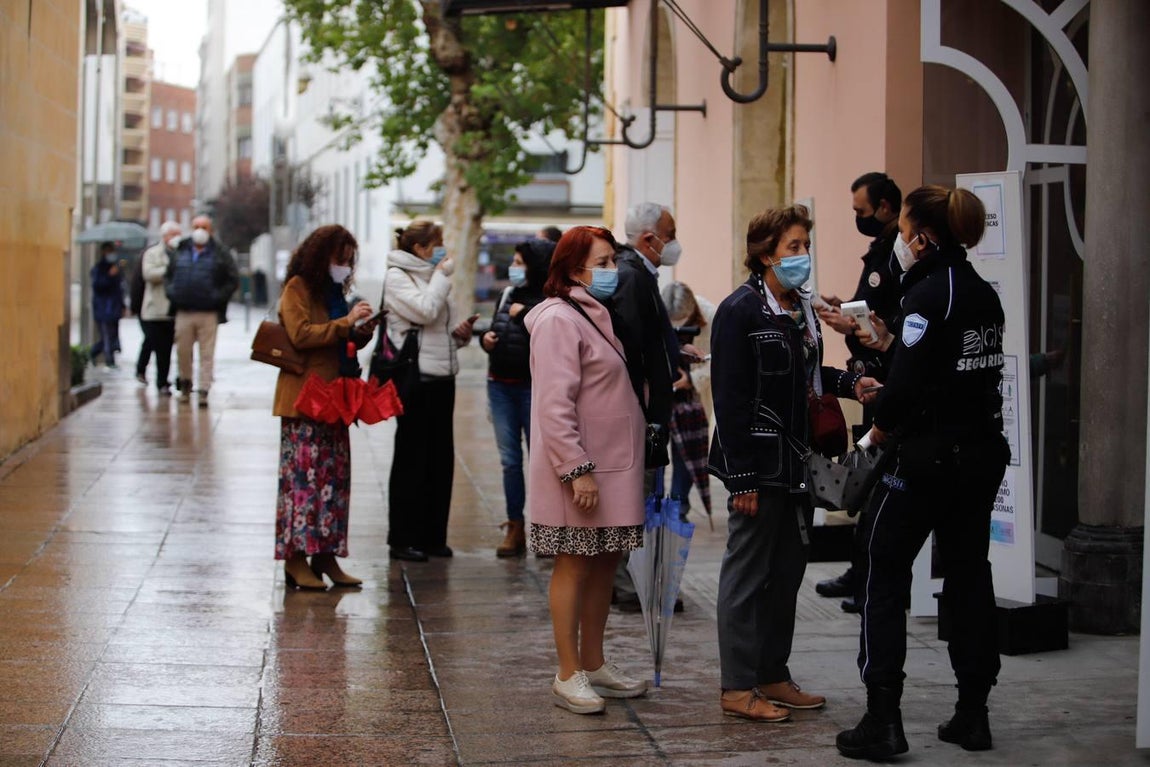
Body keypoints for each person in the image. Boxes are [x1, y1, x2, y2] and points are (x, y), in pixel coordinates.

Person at [836, 186, 1009, 760]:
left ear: (921, 236)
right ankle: (973, 713)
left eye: (905, 230)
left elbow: (905, 393)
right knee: (968, 577)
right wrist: (887, 342)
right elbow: (948, 370)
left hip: (925, 461)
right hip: (978, 456)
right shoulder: (983, 295)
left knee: (881, 573)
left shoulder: (928, 295)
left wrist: (875, 434)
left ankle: (883, 719)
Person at [708, 204, 878, 723]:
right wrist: (741, 478)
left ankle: (771, 674)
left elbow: (811, 376)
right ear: (765, 255)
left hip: (798, 463)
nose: (803, 256)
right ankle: (737, 686)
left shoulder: (800, 308)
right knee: (747, 574)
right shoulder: (740, 310)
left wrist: (852, 384)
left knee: (786, 573)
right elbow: (731, 398)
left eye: (806, 246)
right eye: (794, 247)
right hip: (758, 466)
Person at [523, 225, 648, 715]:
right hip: (582, 471)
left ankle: (594, 664)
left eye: (614, 261)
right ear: (575, 270)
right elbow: (555, 405)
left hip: (613, 467)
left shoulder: (594, 313)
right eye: (603, 262)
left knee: (602, 562)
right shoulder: (558, 319)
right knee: (574, 564)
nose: (613, 271)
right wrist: (577, 470)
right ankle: (567, 672)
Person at [814, 172, 903, 613]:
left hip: (886, 385)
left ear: (886, 207)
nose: (857, 219)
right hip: (869, 385)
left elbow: (887, 324)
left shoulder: (896, 256)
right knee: (865, 482)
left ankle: (870, 577)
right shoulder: (881, 253)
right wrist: (844, 311)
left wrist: (851, 326)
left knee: (877, 484)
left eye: (861, 212)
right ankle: (860, 571)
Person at [272, 225, 378, 590]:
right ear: (322, 257)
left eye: (349, 259)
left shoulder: (335, 293)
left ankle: (327, 555)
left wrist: (360, 329)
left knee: (333, 483)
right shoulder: (297, 288)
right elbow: (300, 335)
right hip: (304, 400)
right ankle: (296, 559)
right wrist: (344, 324)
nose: (345, 266)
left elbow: (339, 339)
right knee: (303, 484)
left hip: (335, 399)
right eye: (340, 258)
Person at [384, 221, 478, 562]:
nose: (443, 251)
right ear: (420, 248)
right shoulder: (398, 277)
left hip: (443, 377)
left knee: (440, 460)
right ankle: (404, 538)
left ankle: (432, 535)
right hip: (415, 380)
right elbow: (424, 312)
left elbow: (439, 324)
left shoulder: (431, 277)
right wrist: (440, 276)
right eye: (437, 244)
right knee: (412, 458)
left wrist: (461, 334)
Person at [610, 202, 686, 612]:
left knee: (645, 493)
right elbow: (630, 344)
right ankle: (625, 584)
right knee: (635, 496)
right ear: (648, 238)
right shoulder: (631, 275)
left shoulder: (642, 274)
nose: (674, 242)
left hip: (650, 407)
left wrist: (675, 352)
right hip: (640, 411)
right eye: (670, 233)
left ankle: (632, 580)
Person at [481, 238, 556, 557]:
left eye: (519, 262)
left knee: (542, 460)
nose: (512, 268)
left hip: (533, 388)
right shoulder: (507, 294)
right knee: (510, 461)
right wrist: (487, 340)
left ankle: (547, 527)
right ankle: (515, 526)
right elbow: (498, 330)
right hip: (500, 386)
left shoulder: (551, 300)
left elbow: (552, 337)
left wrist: (524, 313)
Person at [165, 214, 239, 408]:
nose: (199, 230)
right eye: (196, 226)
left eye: (204, 227)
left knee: (206, 353)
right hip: (184, 310)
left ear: (210, 230)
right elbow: (169, 275)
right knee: (183, 351)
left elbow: (232, 279)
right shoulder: (182, 249)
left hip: (208, 312)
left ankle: (204, 389)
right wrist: (173, 293)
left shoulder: (220, 252)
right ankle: (185, 385)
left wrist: (217, 297)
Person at [660, 281, 715, 521]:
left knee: (689, 450)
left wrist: (691, 379)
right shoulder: (657, 311)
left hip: (695, 390)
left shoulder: (710, 315)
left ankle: (678, 504)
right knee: (658, 444)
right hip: (664, 390)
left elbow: (718, 359)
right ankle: (656, 504)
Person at [135, 221, 181, 395]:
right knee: (158, 347)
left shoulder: (182, 253)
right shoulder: (152, 253)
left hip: (175, 310)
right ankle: (160, 381)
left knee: (171, 348)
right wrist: (170, 269)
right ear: (164, 236)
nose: (176, 238)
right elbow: (148, 274)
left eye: (178, 234)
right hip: (155, 311)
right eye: (173, 234)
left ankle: (173, 380)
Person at [89, 242, 124, 369]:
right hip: (103, 308)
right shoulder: (99, 268)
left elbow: (119, 290)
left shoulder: (115, 268)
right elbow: (98, 286)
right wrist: (109, 276)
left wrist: (122, 306)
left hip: (114, 307)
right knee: (106, 336)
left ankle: (95, 353)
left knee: (112, 335)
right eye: (109, 251)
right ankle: (108, 360)